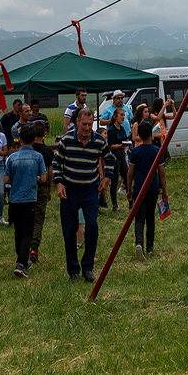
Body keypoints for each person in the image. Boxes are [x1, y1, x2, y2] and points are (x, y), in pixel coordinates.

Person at [52, 108, 115, 282]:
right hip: (69, 190)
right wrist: (59, 184)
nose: (87, 128)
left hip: (90, 190)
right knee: (69, 231)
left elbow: (110, 159)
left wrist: (107, 178)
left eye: (90, 124)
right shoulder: (67, 140)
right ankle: (73, 270)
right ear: (77, 122)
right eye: (84, 124)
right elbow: (56, 163)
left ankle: (88, 267)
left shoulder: (99, 141)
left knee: (92, 227)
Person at [4, 125, 47, 278]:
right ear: (34, 139)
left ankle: (21, 259)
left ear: (20, 140)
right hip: (29, 198)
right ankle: (22, 262)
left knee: (18, 231)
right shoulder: (38, 157)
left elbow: (6, 179)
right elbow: (43, 178)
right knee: (28, 231)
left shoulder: (12, 158)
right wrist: (33, 178)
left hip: (15, 198)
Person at [127, 121, 168, 260]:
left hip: (139, 189)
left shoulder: (135, 151)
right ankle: (150, 248)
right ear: (151, 134)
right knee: (150, 217)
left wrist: (129, 189)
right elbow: (161, 173)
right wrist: (165, 191)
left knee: (139, 218)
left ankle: (139, 243)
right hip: (153, 188)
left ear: (139, 135)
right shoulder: (157, 151)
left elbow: (130, 173)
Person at [29, 121, 55, 265]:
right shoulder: (47, 151)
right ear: (44, 133)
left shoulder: (28, 149)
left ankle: (25, 247)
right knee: (39, 217)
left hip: (28, 188)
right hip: (42, 187)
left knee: (28, 218)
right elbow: (50, 173)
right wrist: (49, 189)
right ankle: (34, 248)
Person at [106, 109, 130, 212]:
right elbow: (111, 146)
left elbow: (125, 138)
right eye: (121, 115)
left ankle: (131, 202)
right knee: (115, 181)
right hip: (114, 157)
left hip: (122, 156)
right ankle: (115, 205)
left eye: (124, 115)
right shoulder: (111, 130)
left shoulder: (122, 129)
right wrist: (120, 145)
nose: (123, 117)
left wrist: (127, 142)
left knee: (128, 178)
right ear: (115, 117)